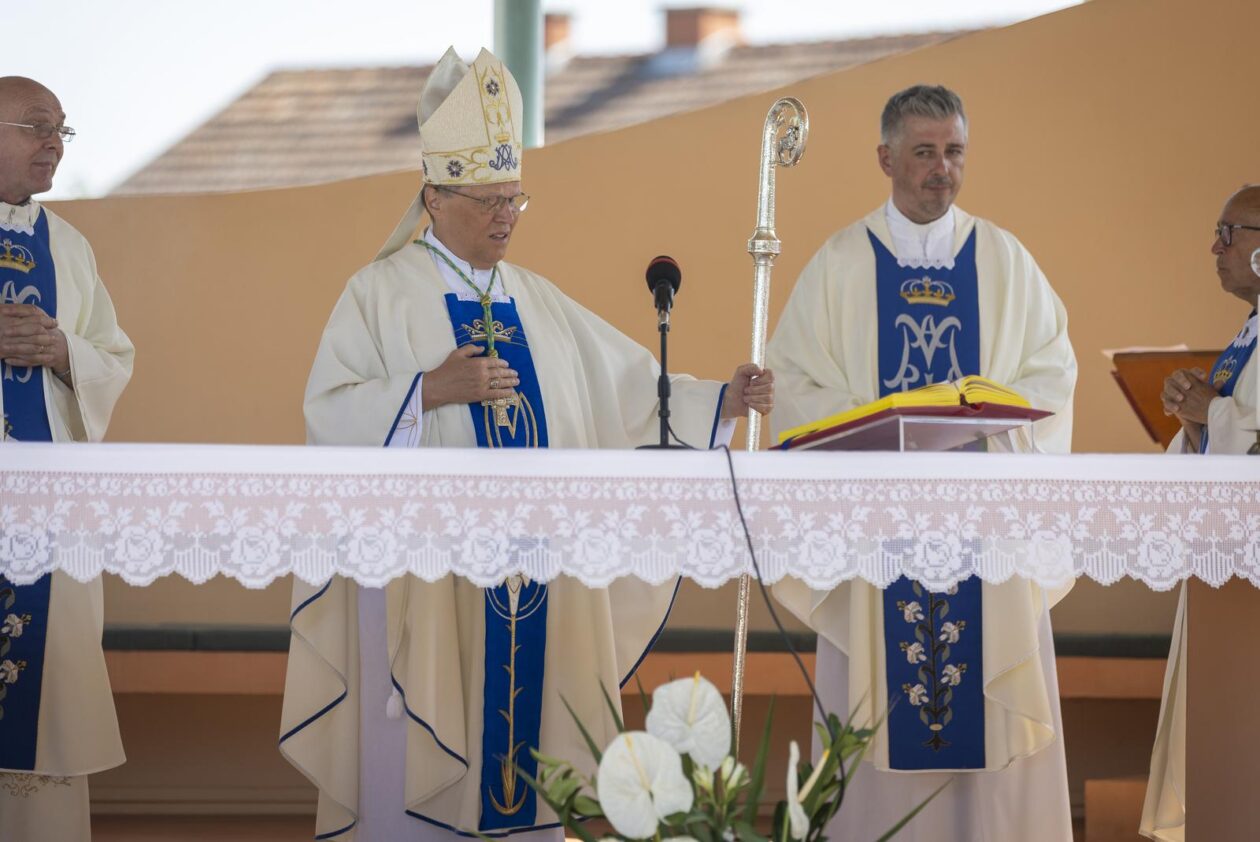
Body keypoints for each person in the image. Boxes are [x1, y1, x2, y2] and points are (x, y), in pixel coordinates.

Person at [279, 48, 774, 841]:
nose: (506, 217)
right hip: (433, 593)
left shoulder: (536, 302)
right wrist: (429, 390)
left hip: (536, 577)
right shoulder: (379, 294)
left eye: (516, 200)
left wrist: (721, 400)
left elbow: (628, 395)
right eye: (487, 201)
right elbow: (328, 415)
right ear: (435, 197)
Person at [767, 84, 1077, 841]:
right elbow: (798, 382)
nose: (943, 170)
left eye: (955, 152)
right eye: (925, 153)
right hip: (879, 534)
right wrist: (876, 431)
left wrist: (991, 418)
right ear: (886, 158)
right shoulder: (840, 264)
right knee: (876, 715)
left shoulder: (1004, 259)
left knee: (987, 728)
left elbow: (1051, 373)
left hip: (986, 539)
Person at [0, 76, 135, 841]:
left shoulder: (68, 246)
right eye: (38, 125)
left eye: (63, 131)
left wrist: (65, 350)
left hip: (46, 519)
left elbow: (113, 355)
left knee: (43, 709)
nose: (55, 142)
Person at [1140, 185, 1260, 842]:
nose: (1215, 247)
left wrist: (1209, 410)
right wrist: (1197, 419)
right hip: (1228, 572)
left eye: (1230, 232)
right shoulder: (1250, 332)